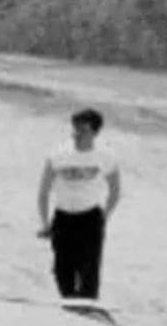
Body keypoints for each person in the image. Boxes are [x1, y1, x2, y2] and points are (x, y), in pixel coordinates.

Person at [36, 107, 121, 300]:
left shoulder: (106, 156)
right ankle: (70, 306)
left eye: (83, 130)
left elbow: (115, 191)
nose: (77, 134)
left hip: (90, 217)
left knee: (89, 270)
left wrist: (103, 218)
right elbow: (43, 192)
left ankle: (86, 312)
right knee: (62, 270)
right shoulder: (58, 154)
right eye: (75, 129)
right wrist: (45, 222)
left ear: (95, 132)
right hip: (63, 217)